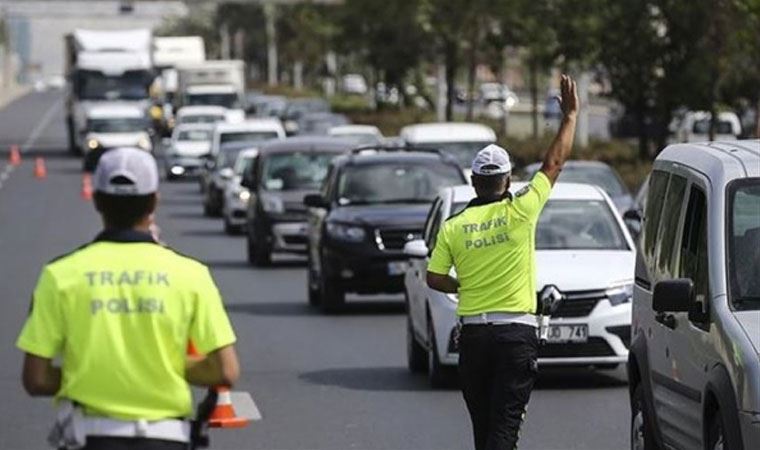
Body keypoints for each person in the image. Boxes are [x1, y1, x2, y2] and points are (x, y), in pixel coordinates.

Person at [16, 147, 240, 450]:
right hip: (167, 438)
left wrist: (95, 372)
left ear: (96, 200)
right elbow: (225, 371)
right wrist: (161, 364)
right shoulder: (191, 275)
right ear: (154, 202)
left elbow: (36, 378)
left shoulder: (60, 275)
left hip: (90, 438)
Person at [426, 75, 579, 450]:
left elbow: (433, 277)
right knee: (504, 430)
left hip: (475, 338)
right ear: (508, 180)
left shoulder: (454, 226)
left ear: (475, 182)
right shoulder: (522, 210)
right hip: (515, 337)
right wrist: (570, 117)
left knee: (485, 430)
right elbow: (554, 163)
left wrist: (463, 285)